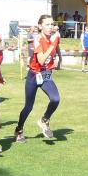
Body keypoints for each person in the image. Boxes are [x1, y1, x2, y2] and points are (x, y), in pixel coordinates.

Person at [14, 14, 61, 143]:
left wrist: (58, 59)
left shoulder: (54, 38)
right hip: (34, 75)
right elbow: (41, 60)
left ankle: (44, 120)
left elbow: (56, 49)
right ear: (40, 26)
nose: (50, 27)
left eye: (52, 24)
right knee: (28, 107)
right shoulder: (37, 39)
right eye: (47, 24)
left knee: (55, 99)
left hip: (46, 74)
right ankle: (19, 129)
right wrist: (52, 46)